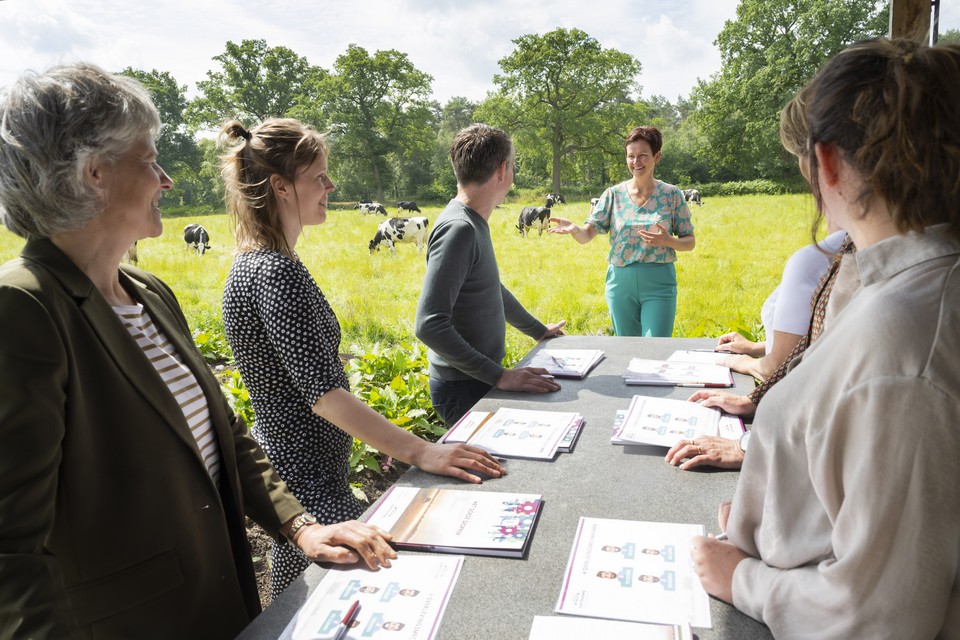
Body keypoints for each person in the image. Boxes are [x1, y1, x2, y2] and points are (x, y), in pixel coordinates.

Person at [0, 63, 394, 639]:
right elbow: (11, 549)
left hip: (217, 603)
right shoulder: (24, 306)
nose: (166, 179)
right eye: (149, 159)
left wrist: (301, 525)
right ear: (93, 174)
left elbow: (225, 437)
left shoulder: (150, 294)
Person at [690, 38, 960, 637]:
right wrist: (781, 518)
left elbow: (879, 615)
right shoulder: (901, 286)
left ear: (828, 163)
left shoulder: (903, 342)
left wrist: (741, 578)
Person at [219, 118, 506, 598]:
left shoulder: (261, 263)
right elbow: (325, 397)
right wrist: (422, 450)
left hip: (305, 471)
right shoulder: (274, 273)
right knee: (324, 603)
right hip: (306, 479)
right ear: (280, 187)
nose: (330, 186)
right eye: (319, 177)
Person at [665, 85, 858, 472]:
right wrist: (757, 396)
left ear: (824, 163)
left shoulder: (843, 263)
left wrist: (753, 448)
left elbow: (843, 409)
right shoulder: (861, 256)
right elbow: (815, 356)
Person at [414, 123, 564, 426]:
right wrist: (501, 376)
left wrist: (537, 330)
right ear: (502, 170)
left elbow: (490, 288)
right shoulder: (460, 228)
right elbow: (429, 324)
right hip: (462, 386)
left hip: (474, 379)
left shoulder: (471, 221)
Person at [550, 126, 695, 336]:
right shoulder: (613, 194)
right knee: (627, 349)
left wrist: (668, 241)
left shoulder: (671, 195)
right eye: (631, 156)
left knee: (656, 347)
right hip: (620, 284)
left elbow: (689, 241)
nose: (636, 162)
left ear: (657, 156)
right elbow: (587, 235)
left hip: (658, 283)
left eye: (643, 156)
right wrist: (575, 230)